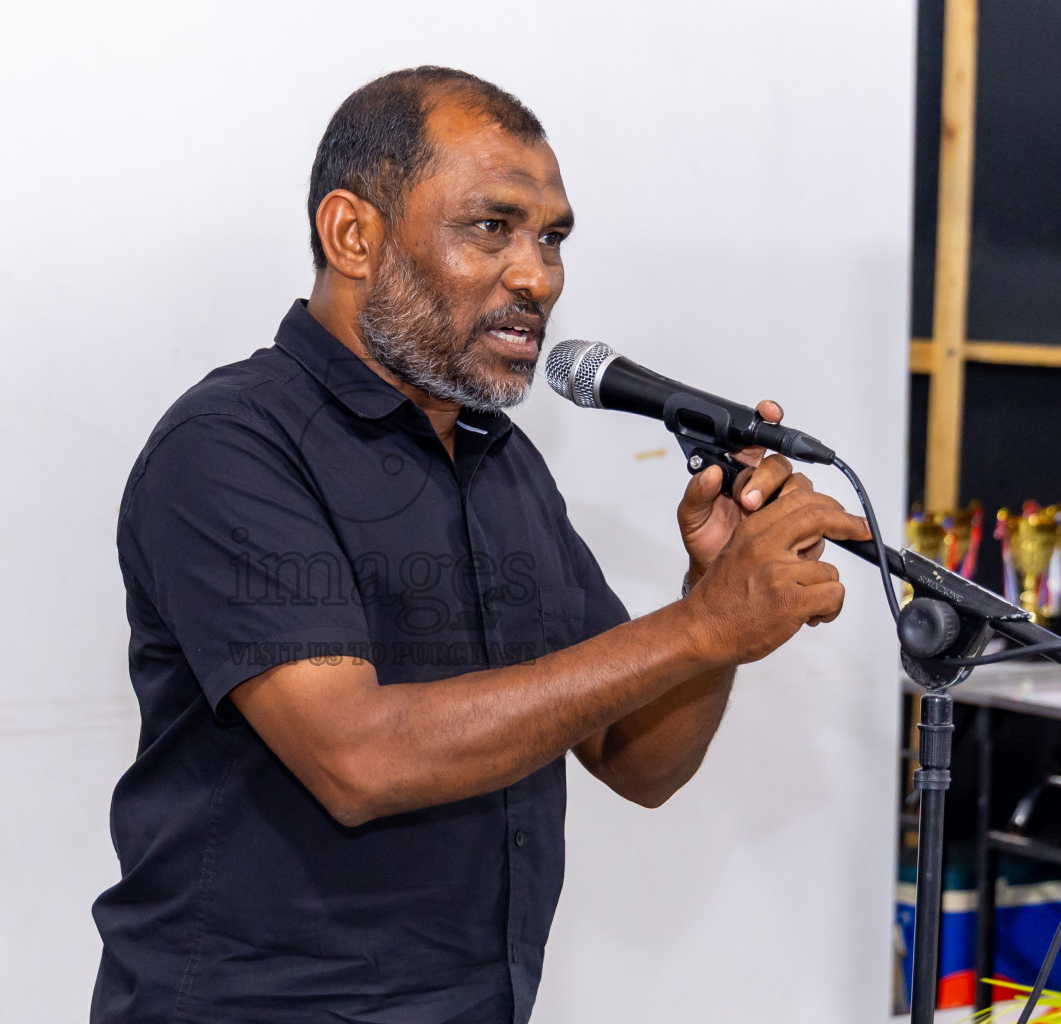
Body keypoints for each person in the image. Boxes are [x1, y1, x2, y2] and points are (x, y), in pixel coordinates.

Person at [90, 66, 870, 1024]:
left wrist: (707, 600)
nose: (536, 275)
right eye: (490, 227)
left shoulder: (503, 465)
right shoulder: (229, 445)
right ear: (353, 235)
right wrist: (703, 627)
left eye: (551, 238)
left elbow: (640, 762)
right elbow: (358, 760)